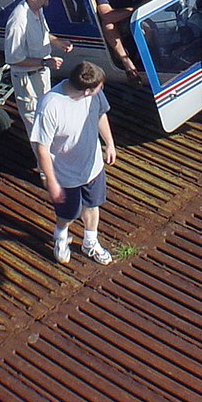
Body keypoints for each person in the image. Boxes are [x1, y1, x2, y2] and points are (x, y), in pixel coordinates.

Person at [30, 61, 117, 265]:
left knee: (93, 205)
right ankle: (60, 237)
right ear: (86, 91)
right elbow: (42, 147)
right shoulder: (50, 106)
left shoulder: (94, 95)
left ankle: (90, 242)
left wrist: (110, 143)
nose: (101, 90)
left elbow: (100, 114)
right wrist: (51, 180)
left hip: (93, 166)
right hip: (65, 174)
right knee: (67, 213)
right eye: (99, 88)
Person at [4, 0, 72, 131]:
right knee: (35, 122)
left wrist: (57, 42)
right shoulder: (18, 21)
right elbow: (14, 59)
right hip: (28, 81)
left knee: (45, 114)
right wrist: (45, 62)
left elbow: (43, 33)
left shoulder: (37, 9)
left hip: (41, 74)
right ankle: (41, 154)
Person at [93, 0, 156, 80]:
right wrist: (134, 10)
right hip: (118, 20)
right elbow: (106, 16)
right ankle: (125, 62)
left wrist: (137, 11)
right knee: (108, 25)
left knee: (146, 30)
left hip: (135, 18)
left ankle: (140, 60)